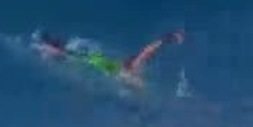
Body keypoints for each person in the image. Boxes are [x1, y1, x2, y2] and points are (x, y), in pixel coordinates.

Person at [37, 30, 185, 85]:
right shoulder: (130, 68)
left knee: (73, 56)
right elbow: (148, 50)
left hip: (105, 63)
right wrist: (169, 37)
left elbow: (149, 50)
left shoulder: (130, 71)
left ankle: (52, 45)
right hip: (104, 64)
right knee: (73, 56)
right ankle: (50, 46)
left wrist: (168, 38)